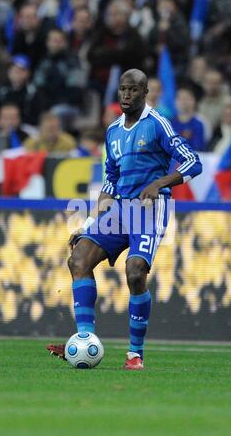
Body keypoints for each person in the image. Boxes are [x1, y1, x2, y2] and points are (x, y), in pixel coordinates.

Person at [47, 69, 202, 370]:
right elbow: (110, 180)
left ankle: (135, 354)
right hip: (119, 210)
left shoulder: (157, 124)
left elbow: (193, 161)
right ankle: (84, 340)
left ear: (145, 93)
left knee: (134, 272)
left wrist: (161, 183)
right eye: (122, 90)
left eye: (133, 90)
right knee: (78, 258)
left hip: (148, 210)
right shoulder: (113, 131)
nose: (127, 95)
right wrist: (89, 224)